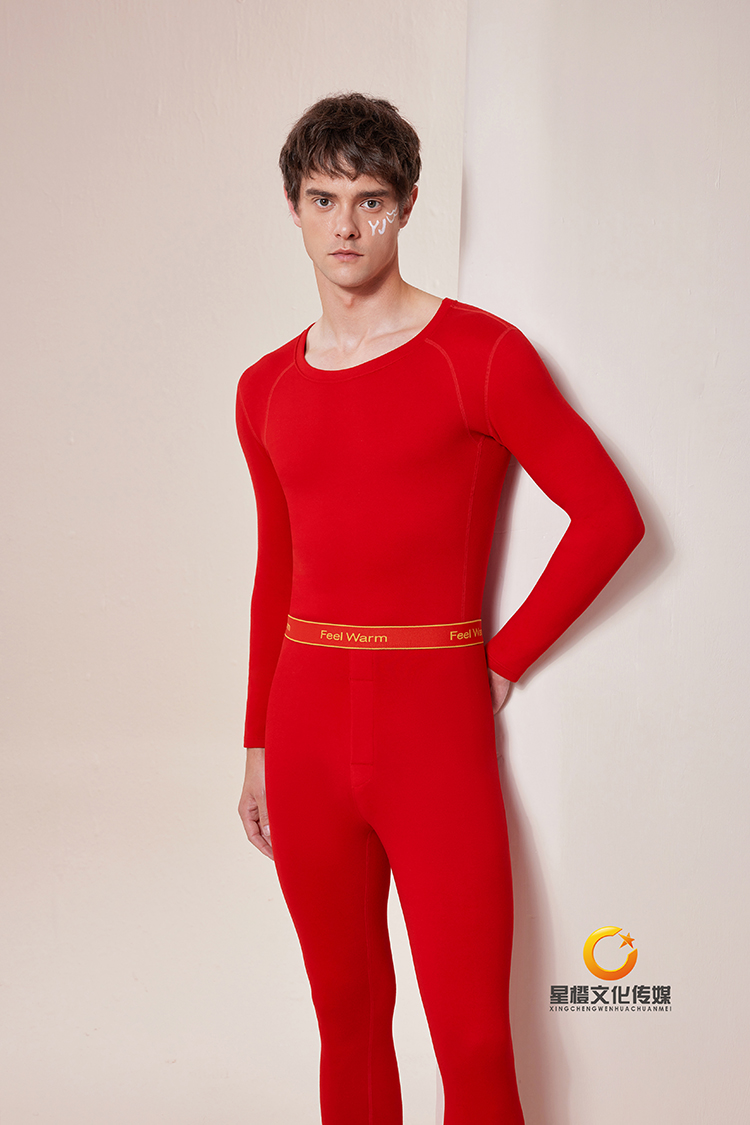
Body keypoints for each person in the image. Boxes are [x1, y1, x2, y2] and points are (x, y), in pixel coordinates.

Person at [236, 92, 644, 1125]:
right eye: (323, 199)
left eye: (370, 200)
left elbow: (610, 517)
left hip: (433, 731)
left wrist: (502, 659)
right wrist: (256, 746)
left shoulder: (479, 355)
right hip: (304, 730)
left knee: (472, 1039)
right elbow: (278, 565)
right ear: (294, 209)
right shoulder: (264, 387)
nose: (345, 226)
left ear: (408, 205)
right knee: (348, 1022)